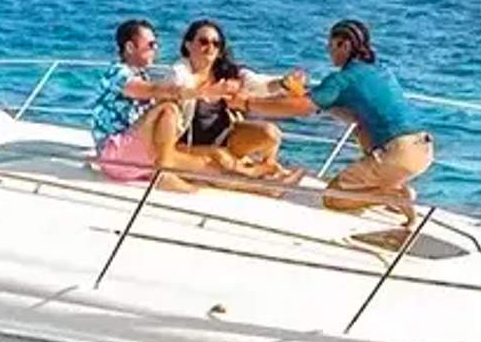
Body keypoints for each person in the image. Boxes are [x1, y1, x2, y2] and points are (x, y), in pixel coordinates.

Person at [255, 18, 434, 214]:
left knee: (333, 198)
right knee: (361, 129)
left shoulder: (344, 79)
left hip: (398, 153)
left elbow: (303, 108)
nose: (329, 51)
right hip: (423, 150)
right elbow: (334, 107)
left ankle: (393, 195)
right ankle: (390, 191)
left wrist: (248, 103)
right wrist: (301, 92)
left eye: (331, 45)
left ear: (345, 45)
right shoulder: (381, 70)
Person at [174, 19, 287, 177]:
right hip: (188, 146)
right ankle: (258, 177)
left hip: (224, 140)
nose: (210, 48)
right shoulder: (181, 73)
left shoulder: (226, 74)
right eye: (203, 42)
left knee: (271, 133)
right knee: (222, 157)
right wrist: (209, 91)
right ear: (188, 45)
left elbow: (258, 84)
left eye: (216, 44)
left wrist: (283, 83)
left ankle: (268, 167)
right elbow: (176, 86)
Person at [89, 18, 182, 182]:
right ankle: (162, 175)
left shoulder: (142, 75)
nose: (156, 49)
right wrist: (200, 91)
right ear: (130, 47)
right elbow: (152, 90)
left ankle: (163, 169)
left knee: (214, 159)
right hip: (115, 156)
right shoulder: (117, 73)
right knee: (167, 108)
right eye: (151, 45)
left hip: (136, 150)